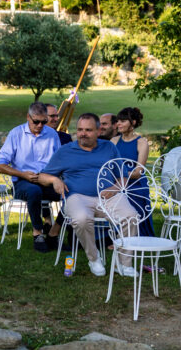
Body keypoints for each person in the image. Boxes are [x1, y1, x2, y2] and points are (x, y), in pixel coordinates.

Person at [37, 113, 138, 276]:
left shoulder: (109, 147)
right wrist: (54, 180)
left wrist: (114, 189)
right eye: (80, 130)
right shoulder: (66, 151)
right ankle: (94, 259)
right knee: (82, 219)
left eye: (88, 130)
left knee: (131, 216)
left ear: (98, 131)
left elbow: (123, 176)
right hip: (77, 197)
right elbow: (42, 176)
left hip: (109, 196)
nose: (83, 133)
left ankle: (123, 264)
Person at [0, 102, 62, 252]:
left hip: (47, 180)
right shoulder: (16, 134)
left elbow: (60, 161)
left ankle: (54, 232)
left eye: (44, 121)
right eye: (36, 121)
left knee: (71, 193)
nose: (40, 125)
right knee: (33, 191)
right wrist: (22, 174)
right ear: (28, 117)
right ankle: (37, 233)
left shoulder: (52, 134)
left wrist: (54, 177)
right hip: (22, 182)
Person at [112, 107, 155, 238]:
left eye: (123, 121)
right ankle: (116, 235)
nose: (118, 124)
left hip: (135, 185)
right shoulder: (114, 141)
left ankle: (131, 236)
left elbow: (138, 172)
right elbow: (108, 167)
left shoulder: (141, 142)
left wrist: (120, 174)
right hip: (117, 183)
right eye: (118, 121)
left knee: (132, 197)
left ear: (133, 123)